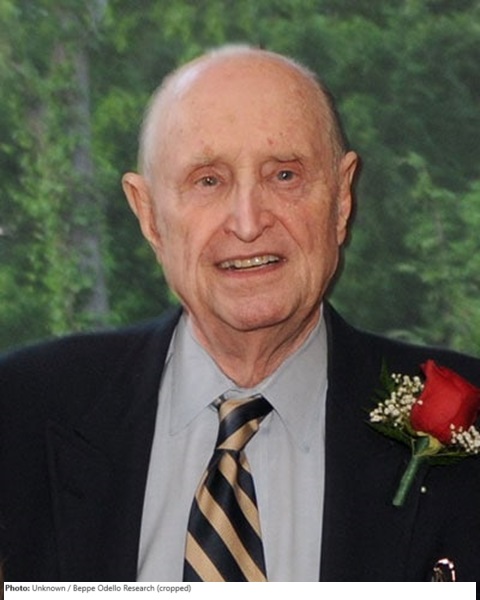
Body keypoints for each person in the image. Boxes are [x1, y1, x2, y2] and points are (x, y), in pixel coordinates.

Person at [1, 45, 479, 582]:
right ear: (149, 214)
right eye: (208, 180)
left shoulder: (471, 421)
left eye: (285, 176)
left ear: (342, 199)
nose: (248, 223)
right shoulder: (18, 413)